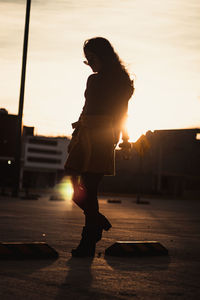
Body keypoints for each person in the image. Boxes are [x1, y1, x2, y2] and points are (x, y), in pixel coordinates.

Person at [64, 37, 134, 257]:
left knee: (91, 187)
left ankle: (88, 241)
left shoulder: (122, 82)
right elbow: (85, 108)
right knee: (72, 182)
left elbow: (122, 114)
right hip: (85, 133)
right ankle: (96, 222)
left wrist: (125, 140)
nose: (90, 63)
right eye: (87, 60)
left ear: (103, 56)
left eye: (92, 58)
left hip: (104, 135)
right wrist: (75, 134)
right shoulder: (92, 80)